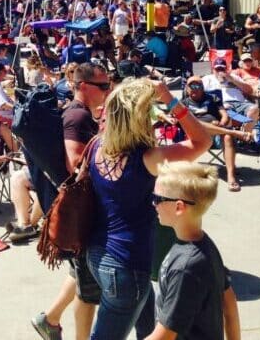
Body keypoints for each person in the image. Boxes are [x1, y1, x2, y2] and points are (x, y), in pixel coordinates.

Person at [84, 79, 211, 340]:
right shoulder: (148, 159)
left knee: (147, 324)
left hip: (97, 255)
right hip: (127, 265)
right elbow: (202, 141)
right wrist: (168, 98)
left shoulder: (97, 146)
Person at [33, 62, 111, 340]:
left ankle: (49, 320)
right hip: (82, 212)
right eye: (103, 86)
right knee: (88, 292)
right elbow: (74, 163)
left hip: (82, 211)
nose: (108, 89)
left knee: (80, 274)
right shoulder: (77, 117)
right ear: (84, 87)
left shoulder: (82, 114)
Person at [146, 162, 241, 340]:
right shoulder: (205, 245)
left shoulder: (186, 267)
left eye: (157, 198)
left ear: (179, 207)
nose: (153, 204)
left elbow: (164, 336)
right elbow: (229, 302)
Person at [181, 76, 251, 192]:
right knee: (194, 122)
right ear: (187, 89)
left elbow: (224, 114)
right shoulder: (183, 103)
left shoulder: (212, 97)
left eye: (197, 86)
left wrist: (221, 123)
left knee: (228, 137)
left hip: (216, 131)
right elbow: (182, 120)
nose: (194, 89)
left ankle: (231, 176)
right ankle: (233, 132)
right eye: (191, 86)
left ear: (202, 88)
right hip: (195, 135)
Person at [202, 58, 258, 131]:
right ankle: (240, 134)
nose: (220, 71)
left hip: (240, 104)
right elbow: (200, 93)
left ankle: (246, 134)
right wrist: (219, 105)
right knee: (226, 115)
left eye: (222, 69)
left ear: (226, 69)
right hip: (222, 105)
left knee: (255, 109)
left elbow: (250, 90)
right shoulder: (207, 79)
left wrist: (232, 80)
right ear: (213, 69)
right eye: (217, 69)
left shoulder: (233, 77)